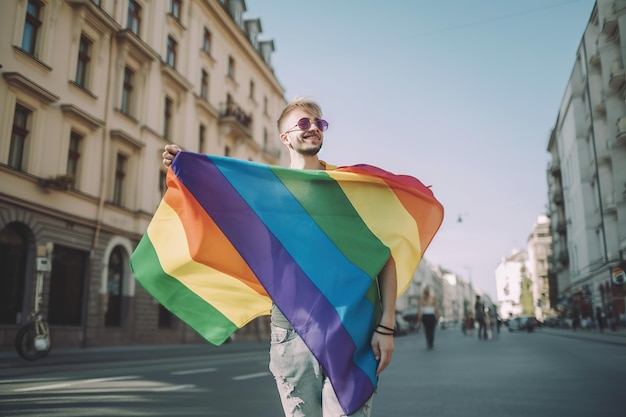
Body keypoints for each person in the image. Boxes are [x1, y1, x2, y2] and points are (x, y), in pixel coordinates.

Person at [162, 98, 397, 417]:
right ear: (285, 137)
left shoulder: (347, 188)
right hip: (291, 331)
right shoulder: (268, 195)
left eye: (319, 123)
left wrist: (386, 327)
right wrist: (186, 168)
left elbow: (383, 256)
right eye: (303, 123)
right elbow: (221, 211)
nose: (314, 127)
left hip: (353, 330)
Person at [416, 285, 439, 349]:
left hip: (425, 316)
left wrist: (419, 320)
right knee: (432, 330)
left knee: (427, 330)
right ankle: (431, 343)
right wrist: (438, 315)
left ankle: (428, 342)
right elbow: (436, 308)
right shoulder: (433, 298)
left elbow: (419, 310)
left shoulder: (421, 299)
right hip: (431, 316)